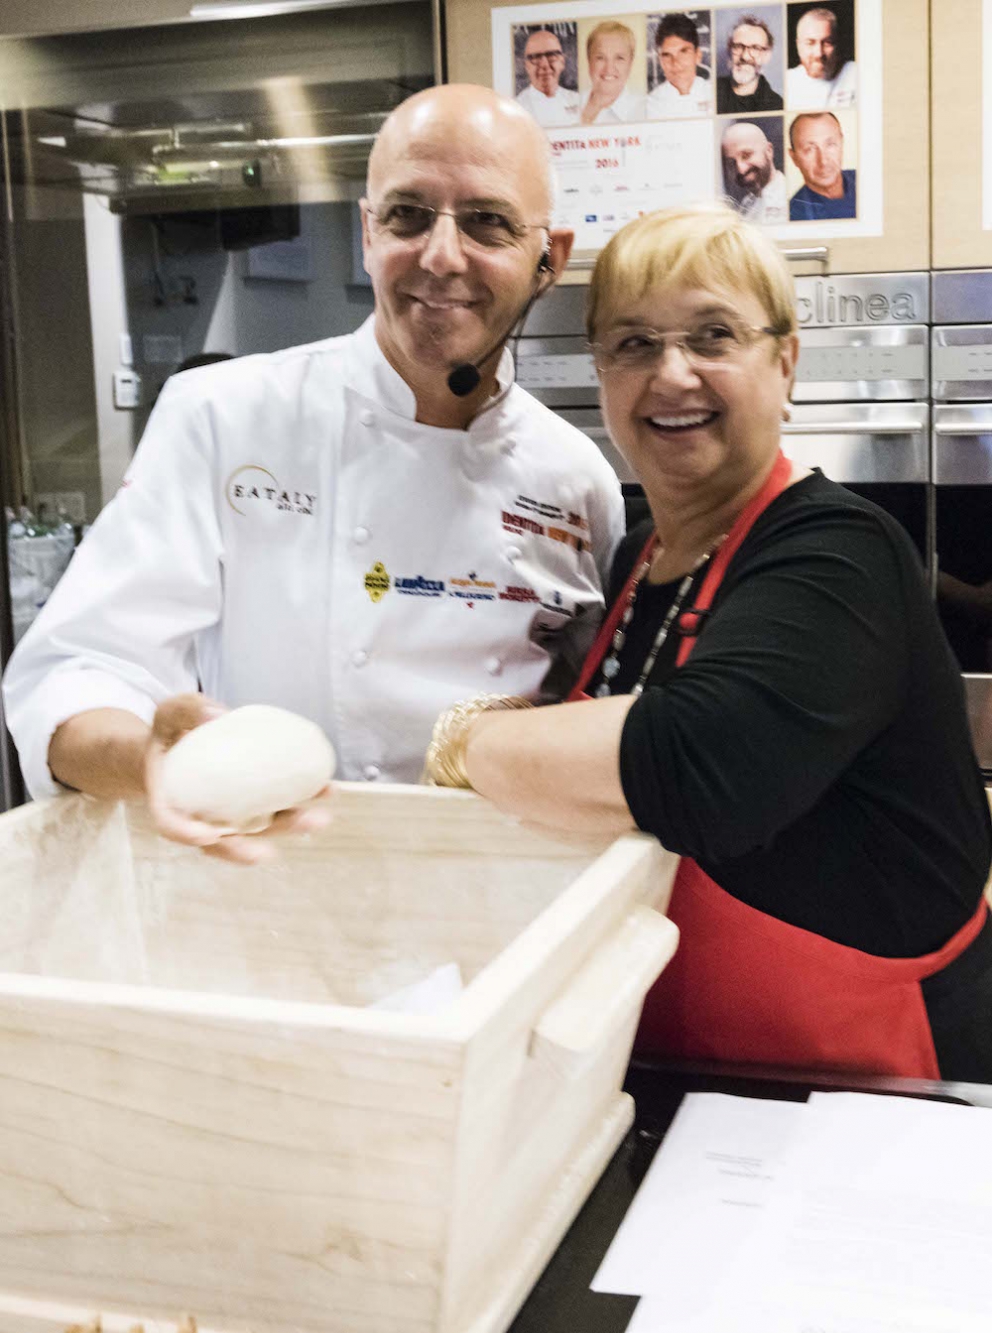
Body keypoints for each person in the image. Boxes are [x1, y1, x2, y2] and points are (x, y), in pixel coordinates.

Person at [423, 202, 992, 1084]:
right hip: (676, 1070)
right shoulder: (640, 554)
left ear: (785, 362)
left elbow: (703, 763)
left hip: (867, 1084)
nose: (672, 375)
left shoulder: (838, 552)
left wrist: (466, 739)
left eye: (713, 335)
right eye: (634, 344)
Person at [2, 84, 623, 863]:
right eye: (407, 214)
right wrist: (152, 761)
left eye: (487, 221)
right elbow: (77, 669)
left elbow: (585, 718)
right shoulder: (224, 416)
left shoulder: (577, 480)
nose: (440, 254)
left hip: (489, 913)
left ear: (549, 258)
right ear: (368, 233)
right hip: (261, 899)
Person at [789, 110, 856, 219]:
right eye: (809, 149)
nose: (823, 161)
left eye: (830, 144)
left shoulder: (868, 182)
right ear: (794, 158)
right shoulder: (794, 215)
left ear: (842, 144)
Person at [786, 5, 857, 108]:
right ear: (798, 45)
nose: (819, 53)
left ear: (838, 44)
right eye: (810, 43)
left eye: (827, 43)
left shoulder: (857, 74)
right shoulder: (787, 82)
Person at [646, 13, 712, 119]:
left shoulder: (714, 94)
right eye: (667, 55)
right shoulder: (649, 105)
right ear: (661, 61)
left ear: (698, 55)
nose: (675, 62)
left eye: (683, 51)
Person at [579, 21, 646, 125]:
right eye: (600, 58)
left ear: (630, 63)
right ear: (589, 60)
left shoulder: (643, 112)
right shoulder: (571, 103)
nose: (609, 69)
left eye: (619, 58)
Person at [720, 120, 788, 223]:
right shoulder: (747, 203)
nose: (741, 170)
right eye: (732, 162)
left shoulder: (790, 198)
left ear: (769, 151)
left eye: (746, 155)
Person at [716, 14, 783, 113]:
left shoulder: (777, 106)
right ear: (729, 50)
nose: (745, 56)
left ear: (767, 56)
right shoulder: (711, 91)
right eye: (738, 46)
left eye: (755, 48)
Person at [516, 27, 580, 127]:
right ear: (526, 66)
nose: (544, 64)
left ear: (562, 62)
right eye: (535, 57)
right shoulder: (516, 108)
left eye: (551, 55)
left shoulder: (578, 101)